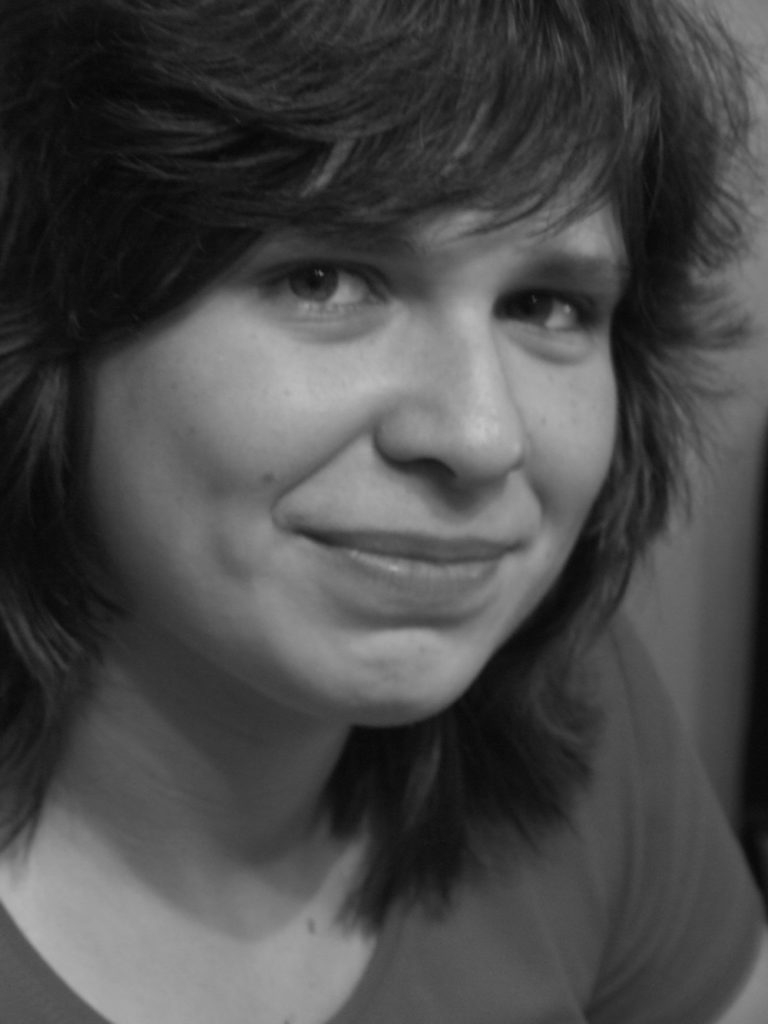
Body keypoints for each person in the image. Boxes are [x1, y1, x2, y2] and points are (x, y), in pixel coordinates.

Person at [0, 0, 766, 1020]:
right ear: (45, 324)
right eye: (322, 281)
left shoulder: (586, 719)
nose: (483, 434)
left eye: (546, 305)